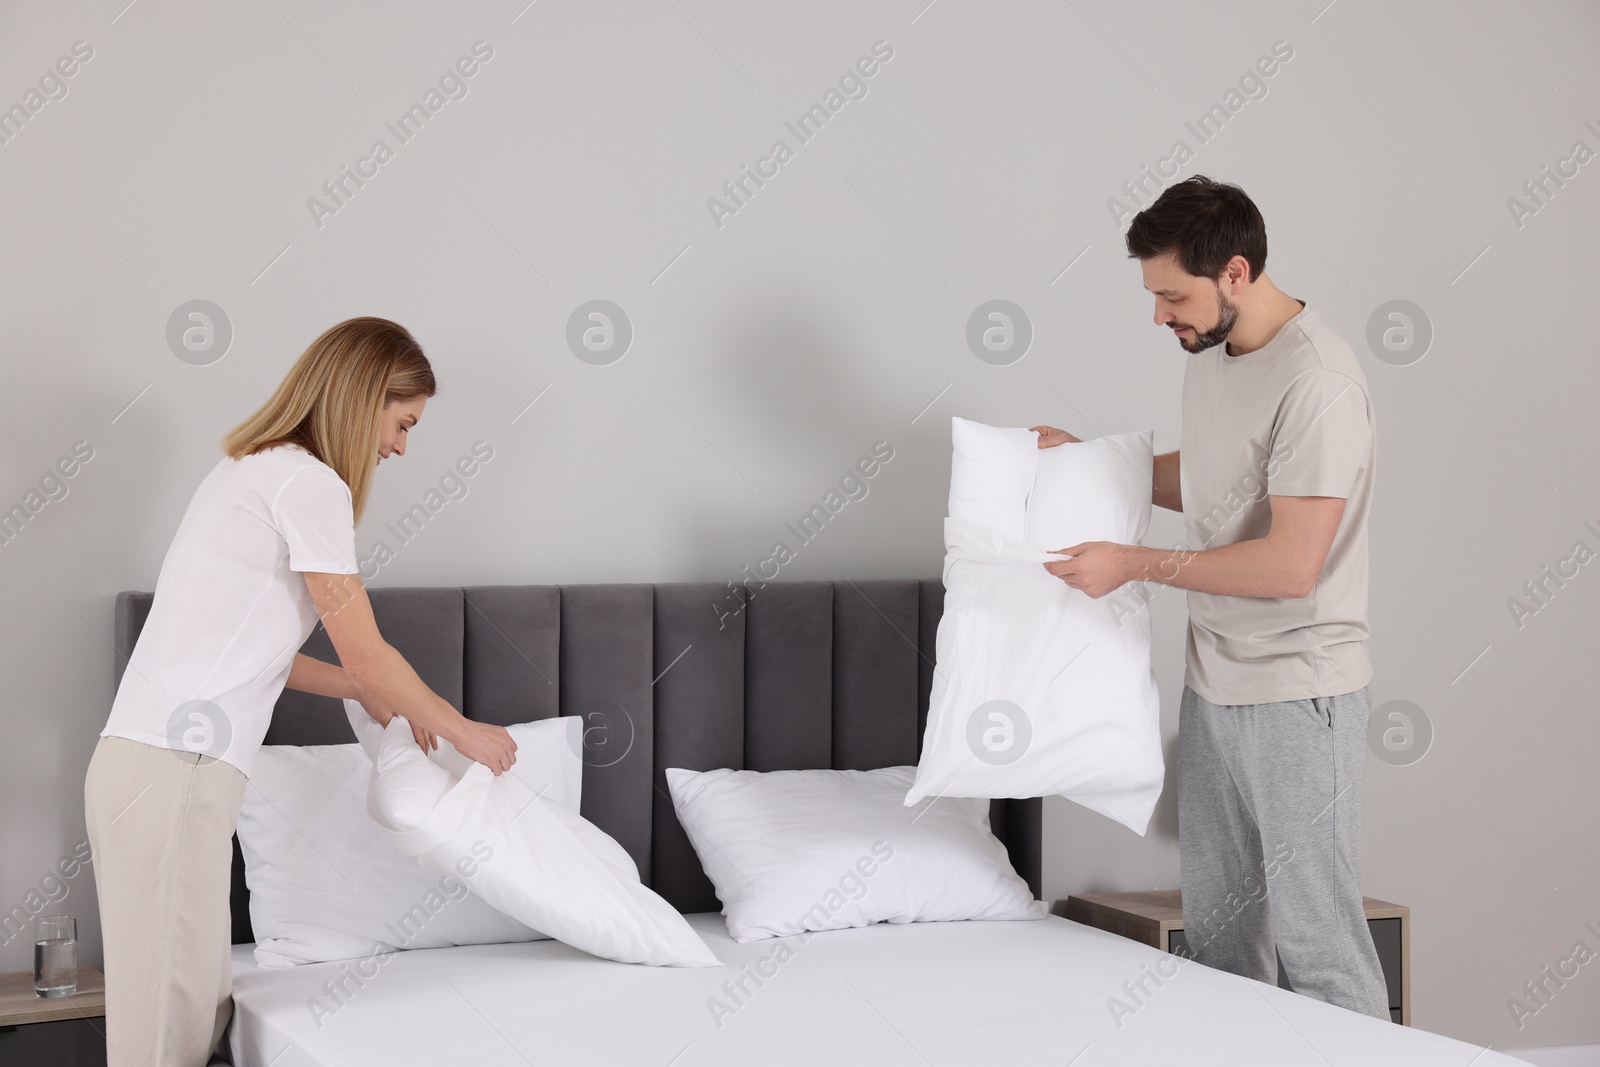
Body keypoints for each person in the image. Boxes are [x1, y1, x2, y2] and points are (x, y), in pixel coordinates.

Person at [84, 317, 519, 1066]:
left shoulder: (250, 467)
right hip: (178, 772)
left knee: (182, 1009)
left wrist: (355, 684)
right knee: (167, 1032)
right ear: (365, 396)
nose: (399, 447)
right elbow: (369, 645)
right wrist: (463, 728)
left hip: (149, 767)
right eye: (403, 422)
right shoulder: (311, 483)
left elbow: (258, 654)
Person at [1035, 175, 1390, 1020]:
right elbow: (1212, 484)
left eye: (1171, 295)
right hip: (1216, 686)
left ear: (1235, 272)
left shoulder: (1320, 382)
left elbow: (1288, 566)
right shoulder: (1214, 351)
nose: (1160, 315)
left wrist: (1132, 562)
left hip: (1299, 691)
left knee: (1321, 949)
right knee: (1224, 948)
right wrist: (1091, 463)